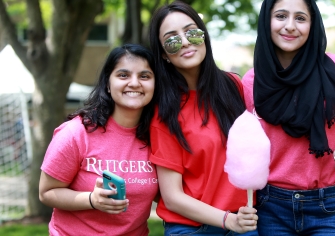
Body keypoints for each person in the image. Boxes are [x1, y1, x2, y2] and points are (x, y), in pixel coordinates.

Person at [242, 0, 335, 235]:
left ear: (313, 24)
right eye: (281, 16)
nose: (290, 26)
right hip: (271, 206)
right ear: (266, 21)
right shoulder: (252, 82)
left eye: (301, 18)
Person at [148, 1, 258, 235]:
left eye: (191, 32)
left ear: (204, 36)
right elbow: (172, 197)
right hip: (193, 228)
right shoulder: (164, 110)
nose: (186, 42)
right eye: (172, 40)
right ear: (164, 55)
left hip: (245, 223)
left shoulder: (234, 87)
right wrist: (228, 220)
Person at [39, 44, 158, 236]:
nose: (135, 83)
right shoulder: (77, 133)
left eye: (145, 76)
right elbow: (46, 192)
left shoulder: (158, 137)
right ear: (108, 84)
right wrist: (92, 200)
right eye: (123, 75)